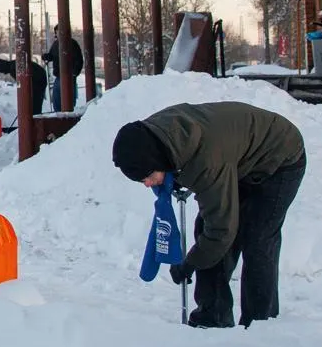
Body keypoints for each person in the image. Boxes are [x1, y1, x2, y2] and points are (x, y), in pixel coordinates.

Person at [112, 102, 307, 328]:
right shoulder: (156, 137)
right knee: (209, 231)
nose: (146, 185)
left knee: (257, 239)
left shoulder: (205, 162)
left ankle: (259, 326)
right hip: (237, 158)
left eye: (146, 177)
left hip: (280, 157)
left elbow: (221, 231)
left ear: (156, 161)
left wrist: (189, 263)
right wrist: (172, 177)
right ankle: (212, 316)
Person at [0, 56, 47, 130]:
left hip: (37, 82)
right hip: (40, 79)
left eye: (2, 72)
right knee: (35, 104)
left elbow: (22, 85)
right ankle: (34, 123)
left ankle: (34, 126)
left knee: (34, 105)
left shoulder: (13, 69)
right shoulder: (14, 64)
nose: (4, 74)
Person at [42, 31, 85, 112]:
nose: (59, 33)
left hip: (70, 77)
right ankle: (58, 116)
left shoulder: (72, 43)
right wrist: (46, 56)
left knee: (68, 99)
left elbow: (79, 59)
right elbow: (52, 55)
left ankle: (68, 115)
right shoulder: (56, 44)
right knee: (56, 99)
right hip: (58, 76)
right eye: (57, 32)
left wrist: (75, 72)